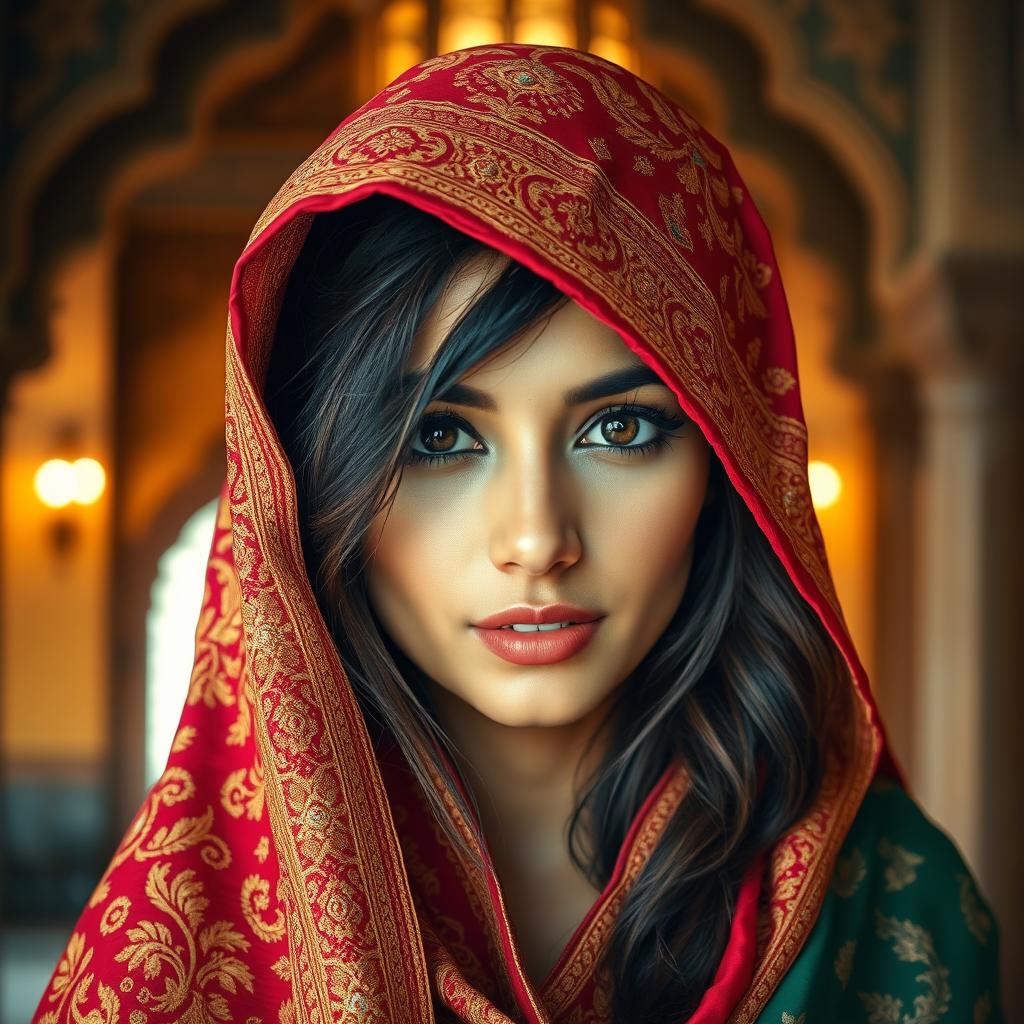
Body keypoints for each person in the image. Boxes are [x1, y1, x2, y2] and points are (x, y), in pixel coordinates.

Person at [33, 43, 1003, 1024]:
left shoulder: (890, 905)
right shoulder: (176, 949)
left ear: (729, 463)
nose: (537, 538)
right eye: (439, 436)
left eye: (618, 429)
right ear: (305, 480)